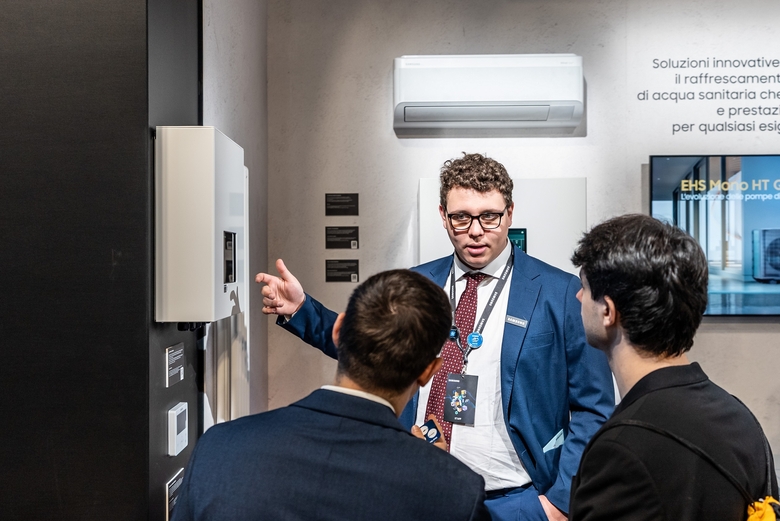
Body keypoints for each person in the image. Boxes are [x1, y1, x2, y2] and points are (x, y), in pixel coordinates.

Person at [257, 153, 615, 520]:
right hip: (420, 489)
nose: (475, 231)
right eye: (461, 217)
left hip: (520, 499)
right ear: (443, 216)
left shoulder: (561, 293)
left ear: (509, 213)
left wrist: (559, 502)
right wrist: (302, 310)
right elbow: (371, 351)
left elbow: (594, 407)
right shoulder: (417, 283)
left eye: (489, 216)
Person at [172, 270, 490, 521]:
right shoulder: (456, 493)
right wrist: (433, 469)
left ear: (338, 332)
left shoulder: (218, 447)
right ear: (429, 371)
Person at [569, 214, 778, 520]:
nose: (578, 297)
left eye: (584, 287)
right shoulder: (740, 418)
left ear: (608, 312)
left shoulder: (622, 448)